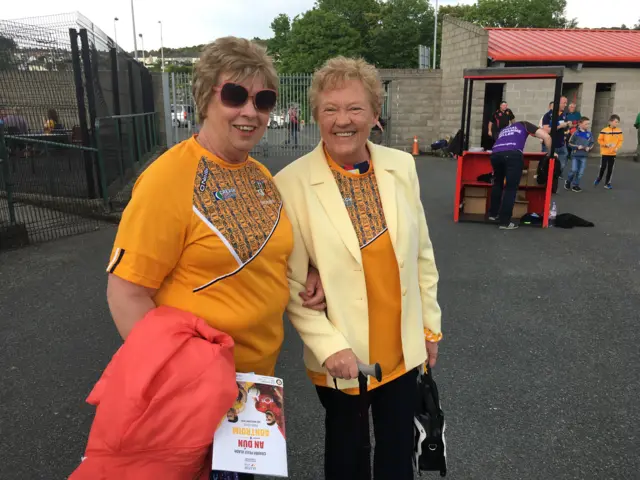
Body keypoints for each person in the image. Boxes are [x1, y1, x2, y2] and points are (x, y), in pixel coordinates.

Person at [104, 37, 326, 480]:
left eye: (263, 100)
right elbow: (126, 291)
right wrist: (177, 378)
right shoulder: (167, 179)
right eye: (234, 95)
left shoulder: (260, 176)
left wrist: (310, 270)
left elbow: (271, 253)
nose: (250, 111)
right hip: (193, 391)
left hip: (256, 389)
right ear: (206, 98)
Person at [274, 57, 443, 480]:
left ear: (374, 113)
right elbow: (292, 282)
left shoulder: (400, 166)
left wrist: (430, 328)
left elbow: (421, 252)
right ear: (315, 116)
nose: (342, 121)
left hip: (403, 344)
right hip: (342, 351)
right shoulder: (291, 183)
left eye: (354, 108)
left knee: (397, 450)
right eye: (330, 110)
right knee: (347, 455)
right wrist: (328, 345)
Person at [488, 121, 553, 230]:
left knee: (498, 183)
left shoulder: (504, 129)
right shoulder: (524, 124)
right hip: (513, 155)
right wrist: (551, 154)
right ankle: (504, 222)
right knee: (510, 188)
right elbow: (547, 137)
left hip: (495, 154)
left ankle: (493, 215)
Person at [542, 96, 571, 177]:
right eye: (564, 103)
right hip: (550, 146)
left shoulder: (564, 114)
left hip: (561, 145)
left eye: (566, 103)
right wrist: (560, 126)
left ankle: (554, 178)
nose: (565, 105)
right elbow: (546, 130)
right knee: (546, 168)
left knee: (560, 167)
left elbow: (565, 128)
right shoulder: (548, 115)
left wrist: (567, 125)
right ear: (558, 103)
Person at [566, 117, 595, 192]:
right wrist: (577, 147)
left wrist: (589, 148)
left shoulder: (589, 134)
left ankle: (575, 185)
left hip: (584, 156)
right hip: (575, 155)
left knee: (580, 172)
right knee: (574, 170)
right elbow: (569, 143)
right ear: (580, 124)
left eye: (588, 124)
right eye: (586, 124)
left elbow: (592, 143)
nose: (588, 125)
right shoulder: (576, 133)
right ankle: (568, 181)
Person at [595, 114, 624, 190]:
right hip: (605, 152)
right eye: (615, 122)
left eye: (618, 122)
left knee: (610, 168)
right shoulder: (604, 130)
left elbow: (620, 140)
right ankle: (599, 178)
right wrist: (605, 144)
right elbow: (599, 140)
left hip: (613, 153)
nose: (616, 123)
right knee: (603, 167)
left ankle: (607, 183)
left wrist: (617, 147)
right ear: (610, 122)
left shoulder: (619, 131)